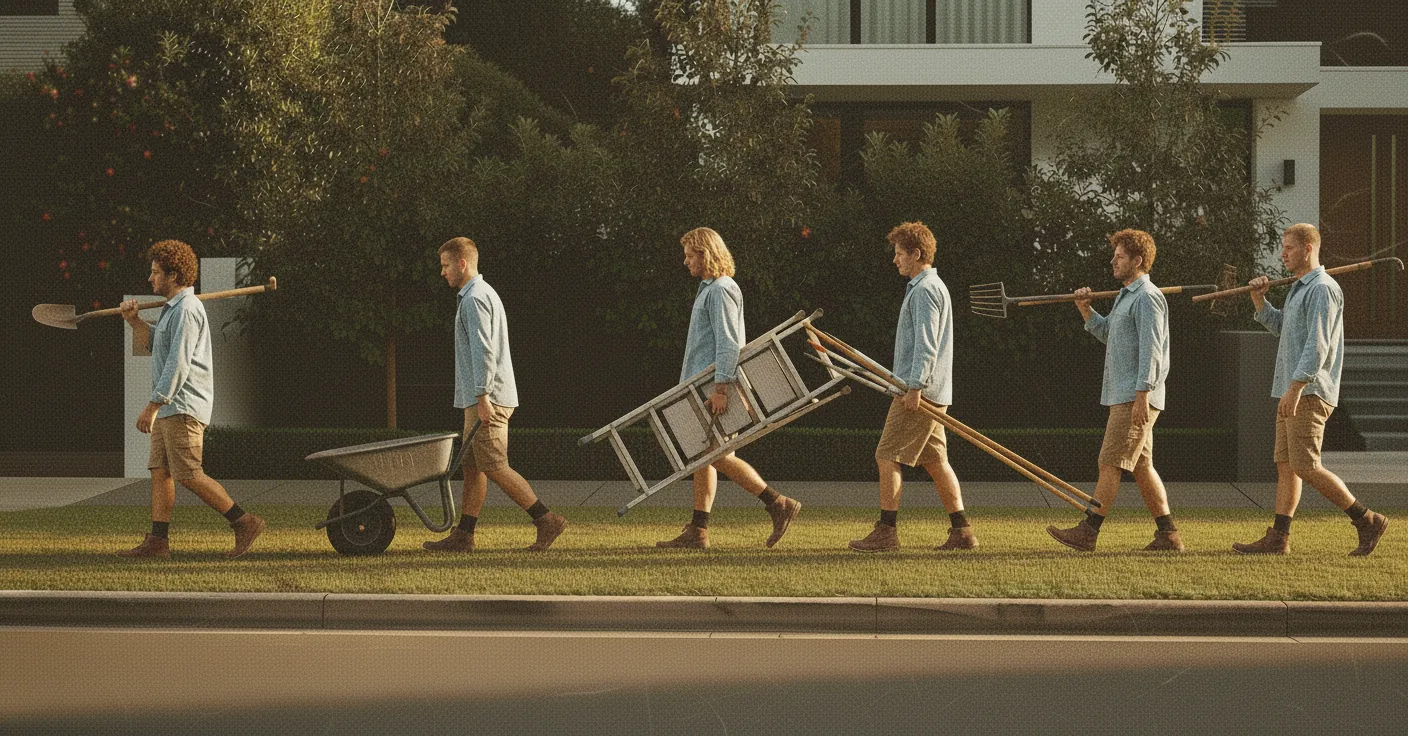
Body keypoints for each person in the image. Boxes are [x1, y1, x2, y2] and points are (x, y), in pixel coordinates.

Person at [1233, 223, 1389, 555]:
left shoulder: (1322, 289)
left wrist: (1296, 388)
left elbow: (1318, 346)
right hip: (1291, 388)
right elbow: (1282, 329)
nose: (1282, 253)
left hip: (1309, 390)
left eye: (1288, 247)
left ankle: (1366, 520)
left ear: (1307, 249)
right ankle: (1279, 538)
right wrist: (1259, 300)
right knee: (1287, 465)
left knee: (1305, 465)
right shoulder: (1298, 289)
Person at [116, 239, 265, 559]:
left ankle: (244, 521)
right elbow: (154, 346)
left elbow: (178, 363)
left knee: (188, 474)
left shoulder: (186, 309)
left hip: (182, 405)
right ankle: (158, 542)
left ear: (174, 274)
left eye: (155, 272)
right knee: (160, 471)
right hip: (170, 406)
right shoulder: (172, 310)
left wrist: (153, 405)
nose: (150, 278)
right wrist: (135, 321)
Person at [656, 227, 802, 549]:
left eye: (690, 255)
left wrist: (721, 387)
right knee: (704, 457)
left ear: (705, 255)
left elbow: (728, 343)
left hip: (715, 387)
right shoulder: (710, 289)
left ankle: (778, 503)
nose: (685, 261)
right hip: (706, 386)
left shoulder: (721, 289)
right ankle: (698, 530)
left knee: (714, 454)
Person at [423, 237, 567, 552]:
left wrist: (483, 395)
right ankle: (464, 535)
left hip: (486, 398)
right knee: (473, 467)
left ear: (462, 263)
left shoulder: (474, 298)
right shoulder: (478, 295)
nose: (443, 272)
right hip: (480, 397)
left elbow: (484, 352)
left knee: (494, 465)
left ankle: (546, 519)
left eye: (446, 265)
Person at [1046, 229, 1182, 552]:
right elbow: (1110, 333)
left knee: (1109, 462)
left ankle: (1088, 531)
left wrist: (1142, 395)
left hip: (1134, 396)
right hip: (1126, 394)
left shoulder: (1148, 297)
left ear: (1137, 260)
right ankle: (1168, 535)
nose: (1113, 261)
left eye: (1119, 256)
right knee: (1141, 466)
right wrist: (1085, 309)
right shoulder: (1127, 296)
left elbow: (1153, 352)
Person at [848, 222, 976, 552]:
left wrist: (915, 386)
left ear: (916, 254)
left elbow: (927, 344)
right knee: (935, 461)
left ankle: (886, 531)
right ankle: (962, 532)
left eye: (900, 254)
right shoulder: (926, 287)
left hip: (920, 392)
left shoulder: (926, 290)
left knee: (887, 455)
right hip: (930, 391)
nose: (895, 260)